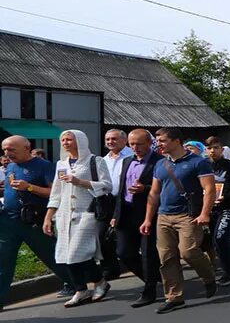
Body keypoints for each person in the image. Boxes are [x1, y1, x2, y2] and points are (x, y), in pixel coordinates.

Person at [141, 127, 217, 313]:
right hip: (164, 216)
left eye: (163, 140)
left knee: (189, 252)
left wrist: (205, 213)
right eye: (158, 141)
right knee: (167, 258)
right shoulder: (160, 164)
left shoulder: (198, 162)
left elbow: (210, 189)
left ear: (176, 141)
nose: (159, 144)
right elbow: (154, 193)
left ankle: (208, 277)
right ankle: (174, 298)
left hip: (188, 216)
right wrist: (147, 219)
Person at [1, 135, 75, 307]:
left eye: (11, 149)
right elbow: (10, 189)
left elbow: (55, 193)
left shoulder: (44, 166)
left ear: (26, 148)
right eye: (4, 149)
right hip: (8, 220)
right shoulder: (10, 166)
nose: (7, 153)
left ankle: (75, 283)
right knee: (3, 260)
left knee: (50, 255)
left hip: (33, 219)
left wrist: (29, 187)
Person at [43, 130, 113, 307]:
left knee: (77, 251)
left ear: (80, 141)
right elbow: (56, 192)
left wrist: (80, 182)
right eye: (63, 140)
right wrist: (49, 216)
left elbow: (106, 186)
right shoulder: (61, 164)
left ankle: (98, 281)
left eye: (69, 139)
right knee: (65, 254)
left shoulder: (95, 161)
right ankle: (81, 289)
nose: (65, 143)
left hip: (86, 213)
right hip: (64, 215)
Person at [113, 129, 162, 307]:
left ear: (149, 143)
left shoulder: (159, 162)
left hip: (149, 212)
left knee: (148, 253)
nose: (135, 147)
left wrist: (145, 188)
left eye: (139, 144)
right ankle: (156, 278)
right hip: (126, 212)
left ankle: (149, 291)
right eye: (132, 144)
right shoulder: (127, 161)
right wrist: (115, 214)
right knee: (124, 252)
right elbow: (121, 189)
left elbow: (164, 187)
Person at [204, 137, 230, 285]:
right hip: (210, 209)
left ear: (222, 149)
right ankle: (221, 267)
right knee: (213, 241)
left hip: (228, 208)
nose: (212, 151)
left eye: (216, 147)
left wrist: (225, 197)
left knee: (221, 238)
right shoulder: (203, 167)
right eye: (209, 148)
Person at [99, 129, 127, 280]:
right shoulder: (104, 159)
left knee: (126, 237)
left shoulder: (131, 156)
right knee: (102, 235)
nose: (110, 142)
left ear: (124, 140)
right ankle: (110, 268)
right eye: (108, 139)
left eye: (114, 139)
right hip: (108, 201)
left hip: (127, 202)